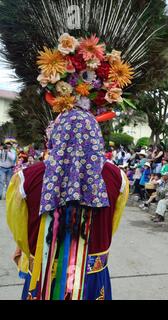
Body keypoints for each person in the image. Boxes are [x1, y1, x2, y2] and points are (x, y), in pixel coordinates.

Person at [6, 109, 129, 300]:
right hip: (92, 278)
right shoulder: (117, 178)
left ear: (56, 135)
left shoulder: (27, 178)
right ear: (95, 135)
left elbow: (19, 231)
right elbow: (111, 226)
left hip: (42, 274)